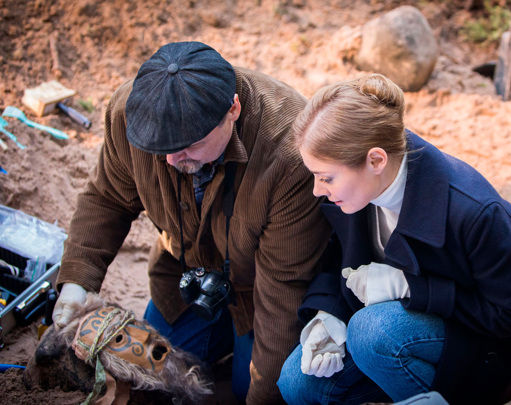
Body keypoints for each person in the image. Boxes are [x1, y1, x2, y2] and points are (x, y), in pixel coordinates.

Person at [51, 41, 332, 404]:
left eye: (189, 146)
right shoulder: (131, 116)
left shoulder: (290, 151)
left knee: (256, 388)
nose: (170, 159)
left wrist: (261, 395)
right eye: (160, 146)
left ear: (233, 109)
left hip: (263, 292)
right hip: (185, 277)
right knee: (155, 375)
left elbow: (284, 287)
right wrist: (77, 279)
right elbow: (107, 198)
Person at [276, 73, 511, 404]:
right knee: (295, 383)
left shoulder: (475, 210)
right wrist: (326, 315)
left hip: (482, 343)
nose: (318, 189)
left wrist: (408, 286)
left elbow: (510, 315)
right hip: (393, 329)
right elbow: (338, 260)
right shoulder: (356, 190)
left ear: (376, 159)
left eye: (326, 177)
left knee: (370, 332)